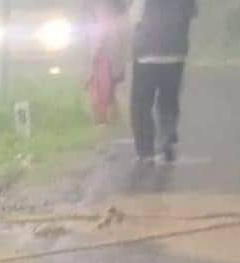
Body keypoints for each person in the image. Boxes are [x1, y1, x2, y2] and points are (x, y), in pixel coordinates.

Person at [130, 0, 196, 163]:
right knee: (169, 100)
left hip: (147, 52)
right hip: (175, 52)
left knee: (141, 104)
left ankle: (145, 151)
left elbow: (135, 15)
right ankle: (166, 141)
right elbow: (191, 13)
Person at [84, 0, 129, 126]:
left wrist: (96, 50)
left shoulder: (103, 7)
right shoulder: (108, 8)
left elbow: (104, 31)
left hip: (105, 56)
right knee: (106, 89)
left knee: (102, 89)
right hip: (108, 54)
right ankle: (110, 118)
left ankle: (103, 119)